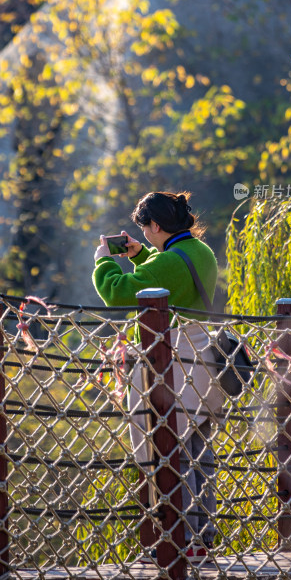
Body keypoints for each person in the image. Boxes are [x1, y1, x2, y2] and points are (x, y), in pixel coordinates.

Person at [93, 191, 224, 559]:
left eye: (145, 229)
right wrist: (142, 255)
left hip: (173, 366)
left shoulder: (169, 263)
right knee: (198, 452)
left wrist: (104, 262)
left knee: (168, 451)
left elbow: (119, 294)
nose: (144, 234)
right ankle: (201, 538)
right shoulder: (201, 252)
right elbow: (174, 275)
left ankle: (178, 539)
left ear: (157, 225)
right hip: (203, 365)